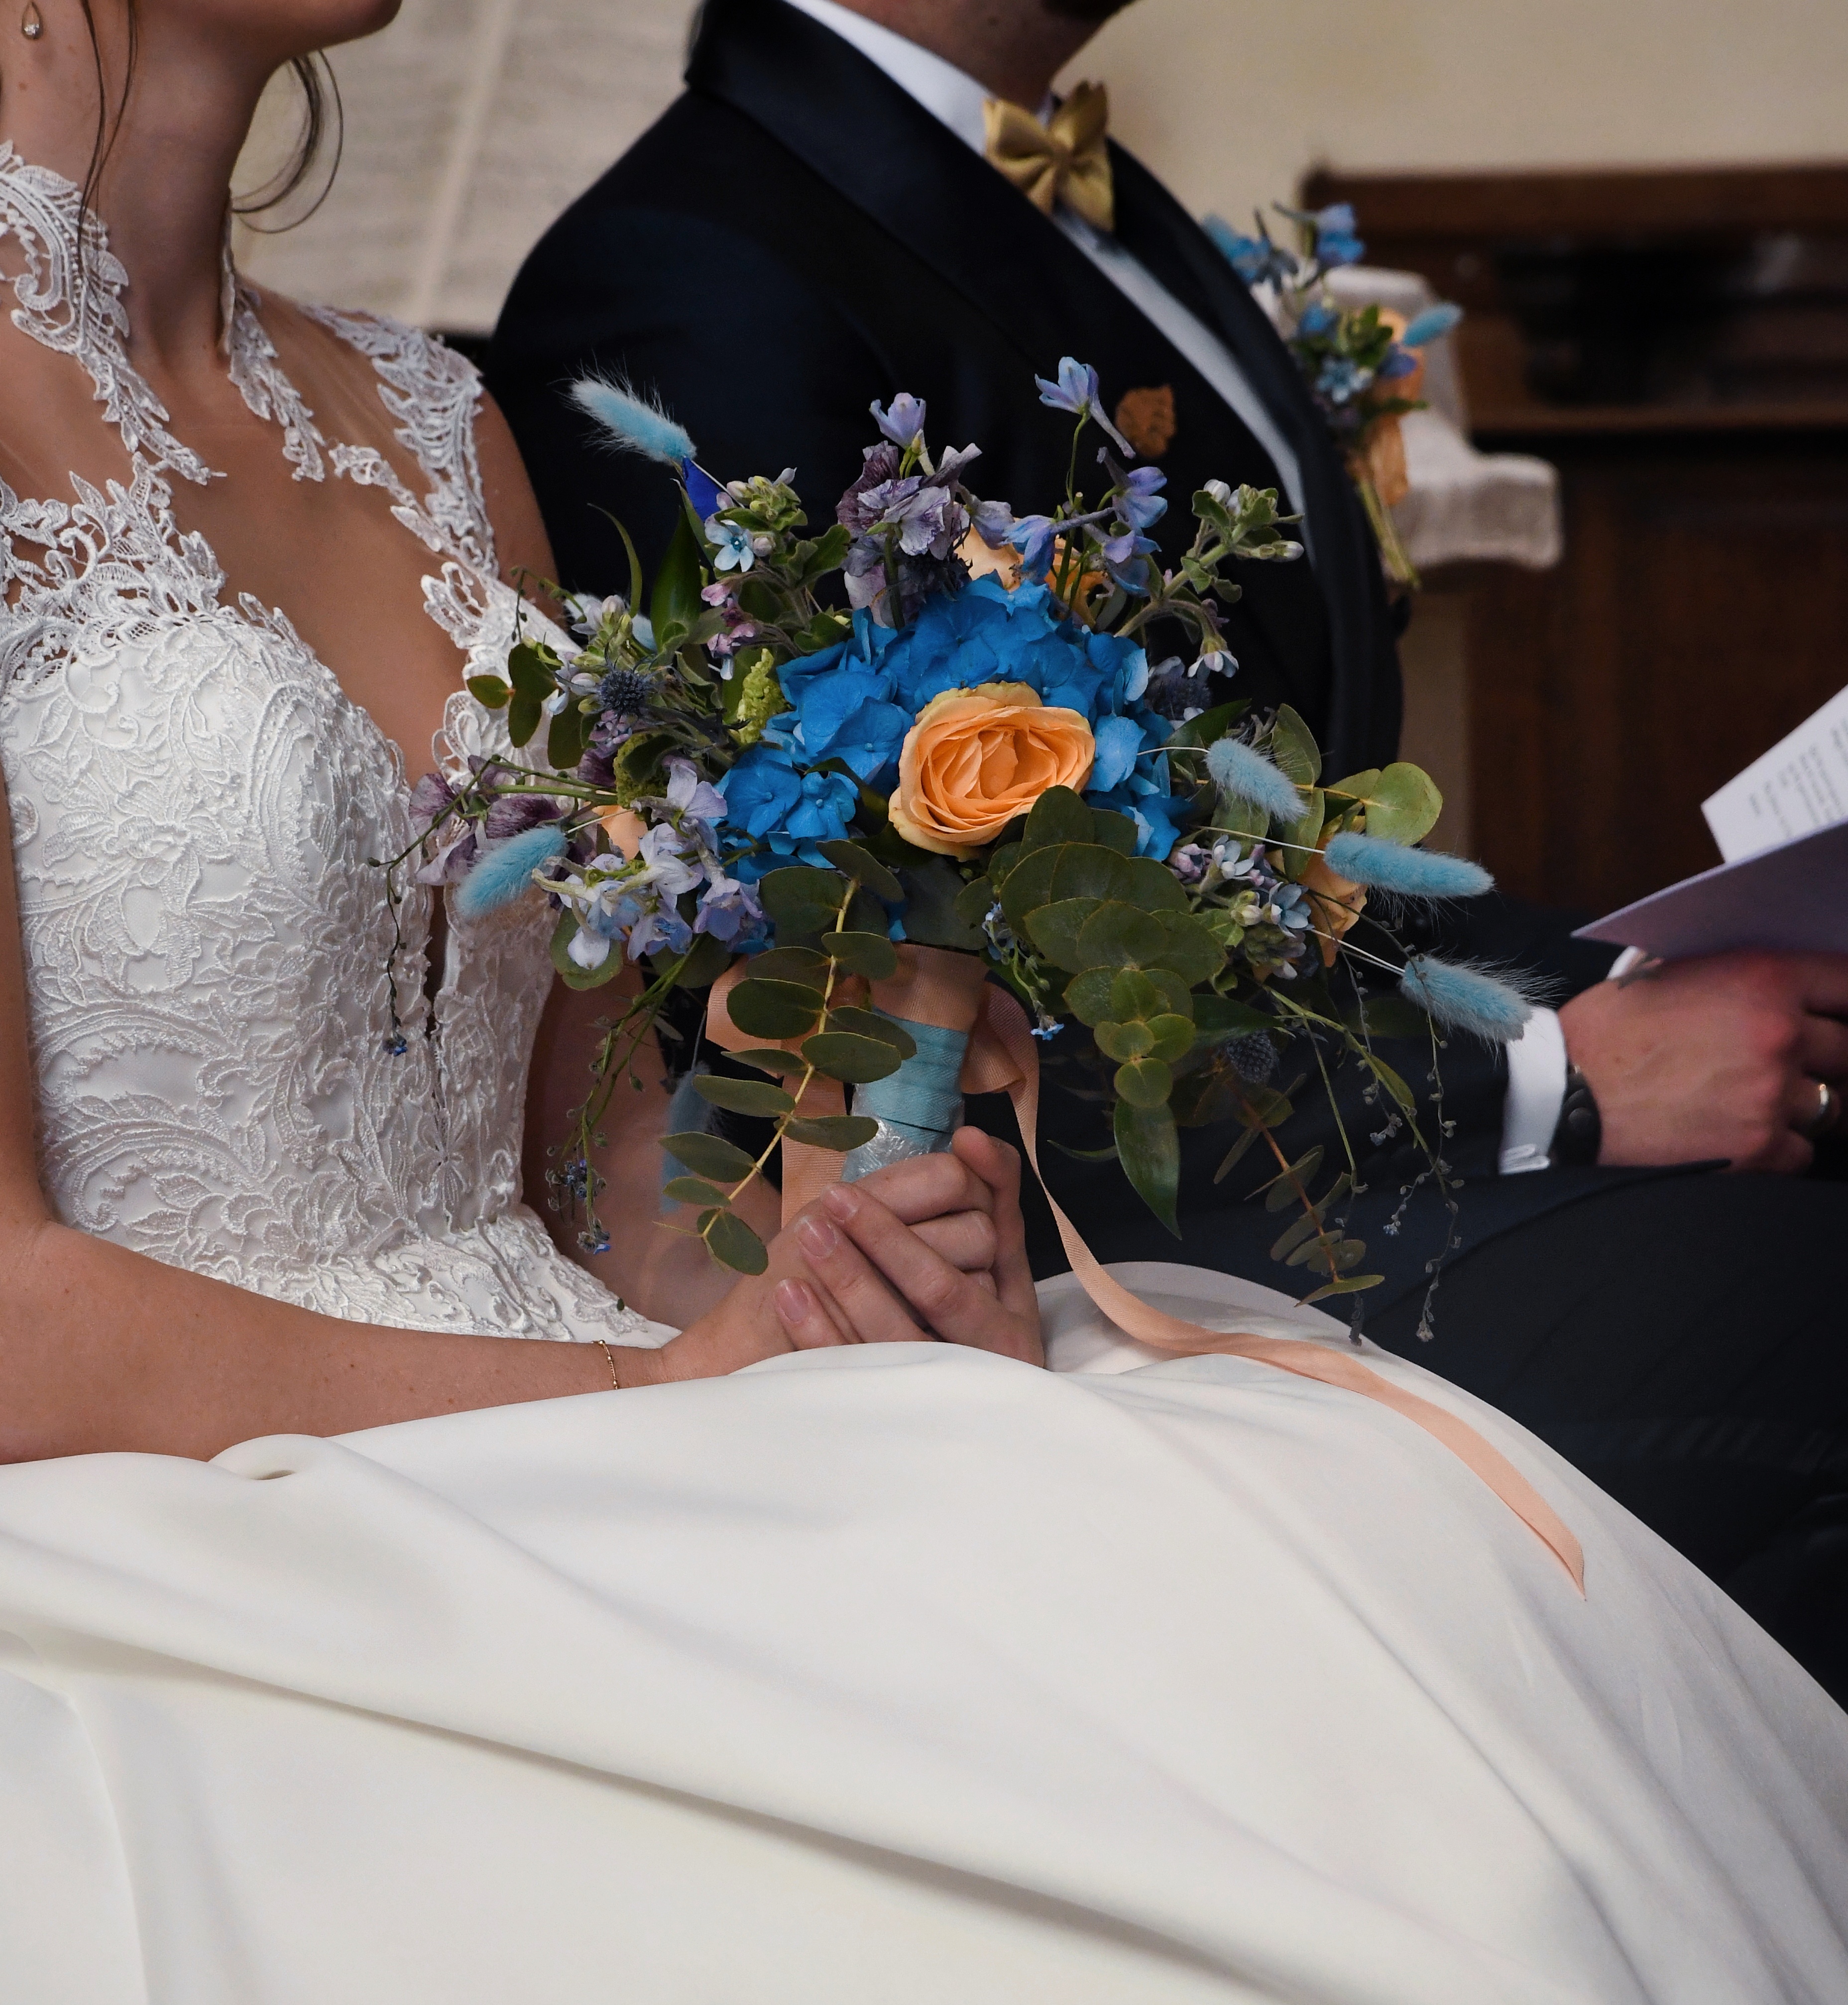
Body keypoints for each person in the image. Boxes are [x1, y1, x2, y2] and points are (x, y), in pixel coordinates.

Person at [2, 6, 1847, 2000]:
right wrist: (648, 1397)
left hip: (606, 1396)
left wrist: (820, 1245)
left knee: (1382, 1671)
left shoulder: (432, 421)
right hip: (208, 1517)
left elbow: (575, 1160)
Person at [487, 0, 1848, 1697]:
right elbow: (837, 1031)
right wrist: (1550, 1075)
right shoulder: (689, 277)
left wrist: (1635, 970)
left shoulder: (1093, 198)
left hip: (1290, 1125)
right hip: (1101, 1219)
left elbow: (1286, 887)